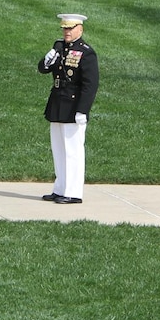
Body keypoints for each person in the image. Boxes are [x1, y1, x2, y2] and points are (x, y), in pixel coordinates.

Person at [38, 14, 99, 205]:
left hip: (73, 107)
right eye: (65, 28)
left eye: (71, 28)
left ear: (80, 29)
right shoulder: (59, 47)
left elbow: (90, 85)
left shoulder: (86, 53)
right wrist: (47, 61)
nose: (67, 32)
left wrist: (83, 110)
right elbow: (43, 69)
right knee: (59, 150)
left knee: (73, 151)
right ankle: (60, 188)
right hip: (57, 104)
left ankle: (73, 192)